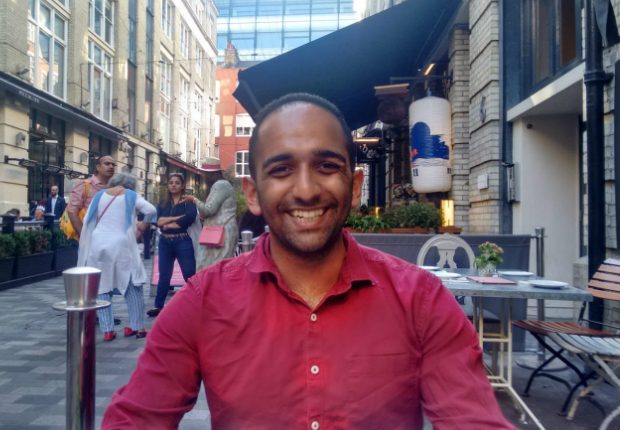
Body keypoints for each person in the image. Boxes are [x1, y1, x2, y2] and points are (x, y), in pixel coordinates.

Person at [103, 93, 514, 429]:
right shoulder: (201, 301)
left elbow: (472, 418)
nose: (305, 190)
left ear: (354, 187)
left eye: (326, 166)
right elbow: (137, 417)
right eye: (281, 169)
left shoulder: (420, 300)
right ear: (252, 193)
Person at [77, 172, 156, 341]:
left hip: (98, 244)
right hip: (121, 244)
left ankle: (107, 329)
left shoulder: (99, 196)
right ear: (131, 185)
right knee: (132, 285)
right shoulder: (130, 195)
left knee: (102, 287)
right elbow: (151, 210)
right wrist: (142, 226)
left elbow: (87, 221)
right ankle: (137, 327)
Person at [147, 173, 197, 317]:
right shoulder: (162, 203)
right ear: (168, 185)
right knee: (164, 275)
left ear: (182, 186)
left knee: (189, 274)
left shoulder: (188, 202)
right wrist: (175, 219)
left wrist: (168, 223)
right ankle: (158, 306)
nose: (173, 185)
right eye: (171, 182)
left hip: (182, 240)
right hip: (165, 242)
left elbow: (189, 219)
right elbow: (158, 221)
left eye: (177, 183)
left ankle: (194, 303)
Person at [182, 158, 238, 271]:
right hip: (218, 231)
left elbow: (209, 210)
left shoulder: (220, 185)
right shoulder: (221, 185)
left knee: (212, 268)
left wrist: (193, 200)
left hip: (221, 232)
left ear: (212, 174)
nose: (203, 176)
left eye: (205, 173)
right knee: (210, 268)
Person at [67, 155, 116, 238]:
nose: (111, 167)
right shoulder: (85, 184)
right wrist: (84, 236)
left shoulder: (115, 187)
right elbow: (72, 211)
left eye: (113, 165)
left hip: (110, 236)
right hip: (90, 236)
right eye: (107, 164)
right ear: (98, 167)